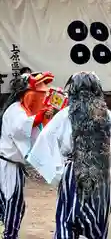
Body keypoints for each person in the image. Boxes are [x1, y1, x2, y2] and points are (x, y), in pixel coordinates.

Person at [27, 71, 111, 239]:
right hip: (101, 172)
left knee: (68, 220)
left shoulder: (66, 114)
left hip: (73, 171)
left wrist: (56, 172)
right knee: (97, 222)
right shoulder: (106, 115)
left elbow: (44, 138)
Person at [0, 71, 54, 238]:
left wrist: (44, 118)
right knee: (12, 203)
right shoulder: (15, 110)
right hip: (7, 165)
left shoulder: (26, 111)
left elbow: (39, 135)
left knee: (15, 205)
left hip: (14, 166)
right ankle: (9, 235)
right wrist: (40, 116)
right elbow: (20, 129)